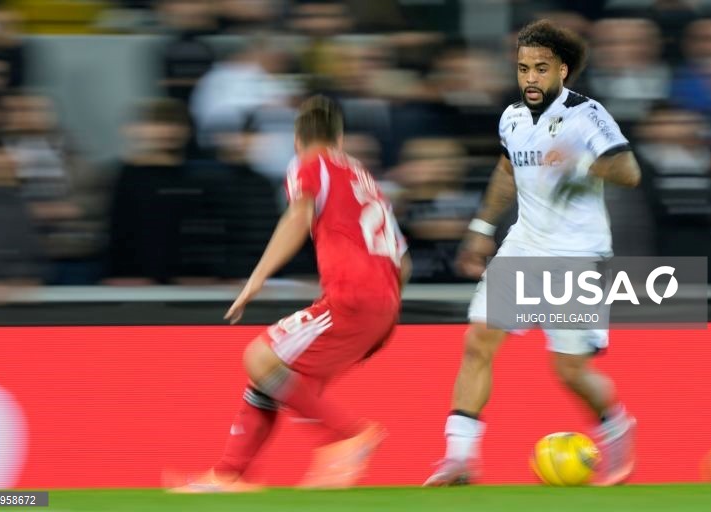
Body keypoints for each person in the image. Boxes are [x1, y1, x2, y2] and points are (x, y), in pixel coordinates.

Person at [424, 20, 641, 487]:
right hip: (524, 246)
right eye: (523, 68)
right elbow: (506, 170)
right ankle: (458, 458)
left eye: (541, 69)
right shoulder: (512, 117)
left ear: (562, 70)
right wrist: (482, 229)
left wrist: (578, 161)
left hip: (579, 254)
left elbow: (629, 170)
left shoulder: (588, 115)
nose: (530, 79)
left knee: (569, 370)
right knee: (479, 339)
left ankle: (616, 425)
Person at [172, 95, 411, 492]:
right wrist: (381, 315)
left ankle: (348, 435)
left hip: (351, 297)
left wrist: (256, 278)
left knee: (258, 357)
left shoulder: (310, 164)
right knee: (272, 377)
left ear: (298, 140)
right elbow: (403, 262)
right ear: (340, 136)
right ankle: (230, 475)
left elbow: (297, 216)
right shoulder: (364, 178)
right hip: (383, 304)